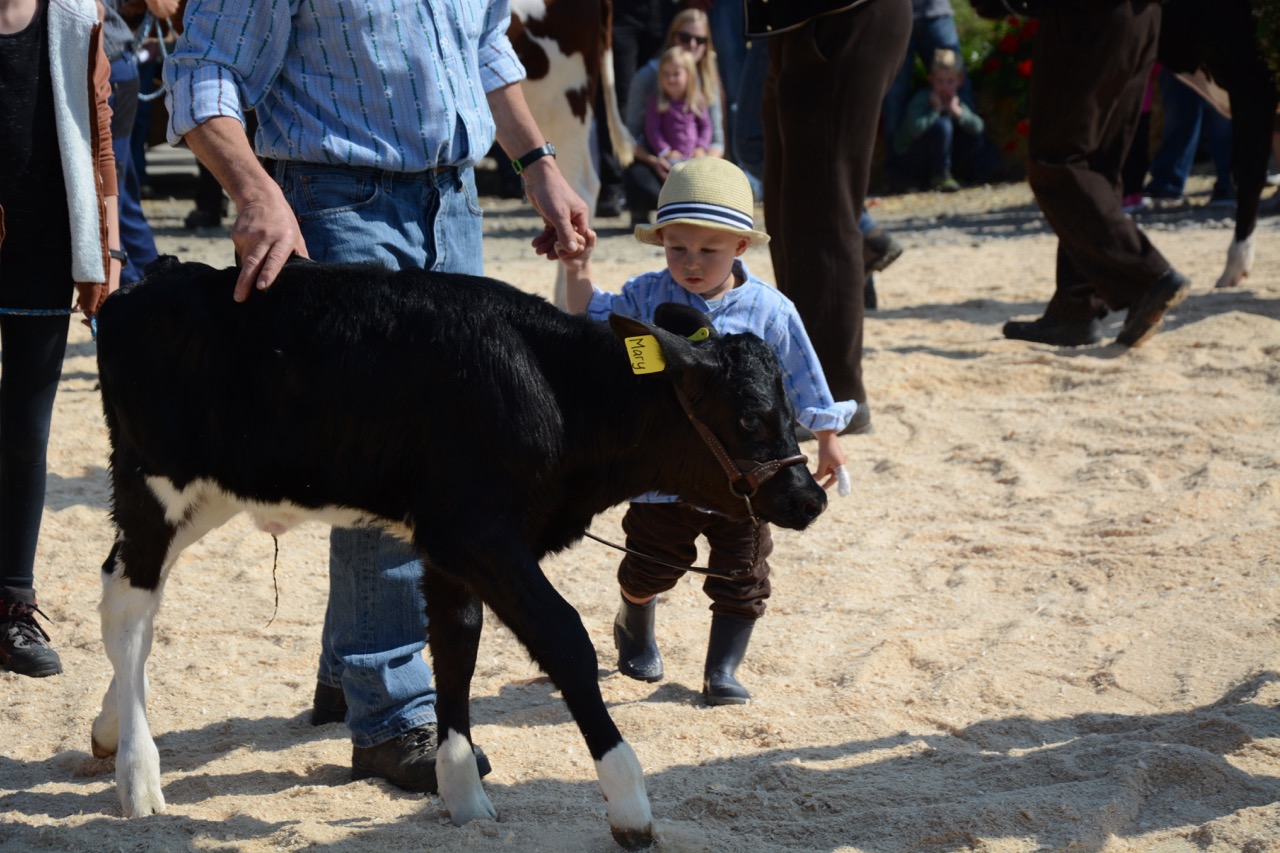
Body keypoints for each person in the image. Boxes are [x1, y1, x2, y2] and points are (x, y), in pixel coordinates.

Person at [163, 0, 589, 791]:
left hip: (454, 203)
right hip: (334, 202)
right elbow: (201, 70)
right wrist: (254, 191)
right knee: (393, 454)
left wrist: (538, 163)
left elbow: (485, 47)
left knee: (438, 450)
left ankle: (349, 664)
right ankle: (391, 713)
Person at [562, 157, 854, 705]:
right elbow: (590, 322)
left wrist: (827, 438)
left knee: (743, 572)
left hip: (746, 477)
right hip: (664, 474)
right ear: (661, 242)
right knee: (650, 564)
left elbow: (804, 375)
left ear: (740, 247)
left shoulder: (771, 310)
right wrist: (578, 267)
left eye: (708, 250)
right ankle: (633, 619)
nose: (691, 262)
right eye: (677, 248)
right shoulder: (644, 296)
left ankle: (722, 671)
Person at [0, 0, 121, 677]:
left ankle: (12, 607)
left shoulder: (75, 13)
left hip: (43, 246)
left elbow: (100, 133)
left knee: (26, 435)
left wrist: (109, 245)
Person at [751, 0, 913, 435]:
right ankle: (805, 381)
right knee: (790, 214)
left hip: (839, 17)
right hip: (798, 23)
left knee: (821, 211)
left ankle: (834, 396)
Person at [1001, 0, 1190, 349]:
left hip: (1088, 16)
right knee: (1097, 164)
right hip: (1142, 17)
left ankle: (1146, 274)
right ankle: (1076, 308)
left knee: (1057, 161)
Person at [624, 7, 725, 227]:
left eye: (700, 40)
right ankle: (645, 210)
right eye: (685, 37)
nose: (692, 45)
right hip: (661, 162)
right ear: (672, 37)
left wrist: (702, 161)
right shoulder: (648, 78)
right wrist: (657, 159)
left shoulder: (707, 81)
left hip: (695, 160)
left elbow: (715, 136)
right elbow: (632, 136)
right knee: (637, 178)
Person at [101, 0, 169, 283]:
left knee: (111, 189)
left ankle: (137, 284)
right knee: (120, 188)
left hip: (107, 69)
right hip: (113, 66)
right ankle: (149, 283)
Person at [880, 0, 973, 165]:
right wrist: (934, 112)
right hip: (892, 13)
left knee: (960, 85)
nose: (944, 86)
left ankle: (973, 160)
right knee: (893, 95)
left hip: (935, 11)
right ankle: (899, 168)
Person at [892, 48, 987, 192]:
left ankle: (956, 174)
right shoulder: (922, 99)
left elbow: (979, 127)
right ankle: (938, 176)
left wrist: (958, 113)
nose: (944, 87)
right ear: (930, 79)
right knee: (943, 126)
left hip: (940, 156)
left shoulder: (955, 101)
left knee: (973, 137)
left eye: (950, 81)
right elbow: (913, 130)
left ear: (960, 81)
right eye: (939, 81)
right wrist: (935, 111)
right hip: (914, 159)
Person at [1144, 66, 1234, 210]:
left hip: (1220, 58)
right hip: (1179, 60)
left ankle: (1229, 185)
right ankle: (1166, 185)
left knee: (1222, 115)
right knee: (1179, 112)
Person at [644, 47, 713, 166]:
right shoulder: (657, 101)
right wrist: (665, 151)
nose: (671, 79)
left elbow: (706, 127)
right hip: (671, 159)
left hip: (694, 158)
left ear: (689, 75)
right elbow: (652, 130)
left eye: (676, 74)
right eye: (666, 74)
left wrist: (701, 148)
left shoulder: (697, 100)